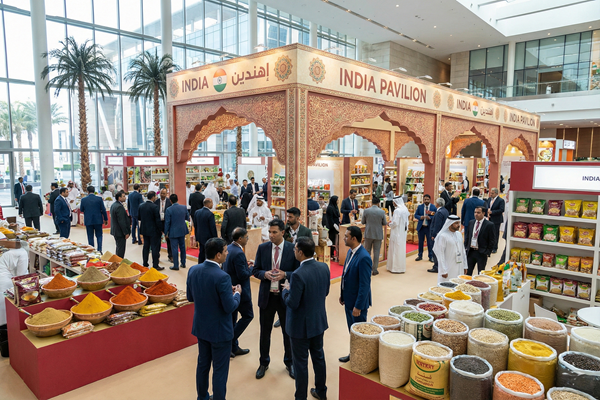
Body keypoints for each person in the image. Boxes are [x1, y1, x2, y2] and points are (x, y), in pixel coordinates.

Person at [187, 237, 241, 400]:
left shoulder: (193, 270)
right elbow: (229, 307)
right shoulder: (223, 277)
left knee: (203, 365)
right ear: (218, 255)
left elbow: (190, 297)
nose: (227, 253)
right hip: (220, 331)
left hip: (201, 328)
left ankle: (202, 396)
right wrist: (236, 294)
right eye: (225, 251)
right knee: (220, 370)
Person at [251, 219, 299, 380]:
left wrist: (285, 274)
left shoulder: (292, 249)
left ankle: (290, 362)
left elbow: (298, 272)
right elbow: (255, 270)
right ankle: (263, 362)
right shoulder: (263, 248)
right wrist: (264, 274)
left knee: (288, 332)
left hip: (285, 297)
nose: (271, 235)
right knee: (265, 332)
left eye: (274, 232)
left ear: (282, 232)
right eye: (269, 232)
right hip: (267, 296)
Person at [282, 237, 329, 400]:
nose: (294, 251)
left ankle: (300, 397)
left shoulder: (298, 274)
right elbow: (325, 292)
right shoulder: (324, 267)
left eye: (295, 249)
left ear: (301, 252)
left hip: (300, 327)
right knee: (319, 358)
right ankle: (321, 391)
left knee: (300, 364)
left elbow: (292, 303)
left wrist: (286, 291)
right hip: (318, 322)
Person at [338, 226, 372, 363]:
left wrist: (358, 306)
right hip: (349, 300)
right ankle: (353, 354)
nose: (344, 238)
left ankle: (362, 359)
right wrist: (342, 294)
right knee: (352, 331)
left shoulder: (364, 258)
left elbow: (364, 285)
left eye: (346, 236)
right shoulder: (350, 252)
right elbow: (345, 275)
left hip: (357, 305)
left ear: (354, 238)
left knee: (359, 332)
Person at [223, 228, 253, 358]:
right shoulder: (239, 253)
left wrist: (245, 265)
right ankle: (229, 341)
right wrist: (251, 268)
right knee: (248, 316)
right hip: (240, 291)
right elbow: (242, 275)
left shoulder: (229, 248)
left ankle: (233, 347)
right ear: (240, 239)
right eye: (246, 237)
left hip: (230, 288)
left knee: (232, 319)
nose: (247, 239)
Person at [0, 244, 28, 327]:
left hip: (4, 279)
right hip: (6, 282)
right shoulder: (23, 252)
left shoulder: (7, 253)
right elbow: (21, 275)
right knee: (7, 306)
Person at [433, 215, 467, 284]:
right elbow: (440, 254)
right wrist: (443, 270)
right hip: (448, 266)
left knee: (458, 283)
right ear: (450, 224)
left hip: (459, 265)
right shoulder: (443, 236)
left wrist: (465, 265)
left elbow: (463, 251)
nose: (458, 225)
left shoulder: (459, 234)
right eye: (456, 223)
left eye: (459, 223)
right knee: (447, 285)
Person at [464, 206, 496, 276]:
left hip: (481, 252)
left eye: (478, 213)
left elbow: (492, 240)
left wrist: (487, 252)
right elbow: (468, 236)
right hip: (471, 252)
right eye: (475, 212)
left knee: (480, 274)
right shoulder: (471, 222)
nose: (476, 214)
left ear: (483, 213)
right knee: (468, 273)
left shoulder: (489, 225)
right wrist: (466, 247)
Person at [361, 198, 387, 276]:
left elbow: (363, 222)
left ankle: (367, 268)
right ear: (378, 203)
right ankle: (374, 269)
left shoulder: (366, 211)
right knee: (376, 252)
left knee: (367, 251)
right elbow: (384, 223)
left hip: (368, 233)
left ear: (371, 202)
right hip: (378, 234)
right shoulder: (382, 212)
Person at [164, 193, 190, 271]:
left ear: (170, 201)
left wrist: (165, 232)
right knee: (182, 247)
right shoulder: (184, 207)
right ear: (177, 199)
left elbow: (167, 222)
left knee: (174, 248)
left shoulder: (169, 210)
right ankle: (183, 263)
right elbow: (187, 217)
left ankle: (176, 265)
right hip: (182, 230)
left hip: (173, 231)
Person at [79, 186, 108, 252]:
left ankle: (92, 250)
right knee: (99, 235)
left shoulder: (83, 200)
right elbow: (103, 210)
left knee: (90, 236)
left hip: (88, 220)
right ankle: (99, 250)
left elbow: (81, 209)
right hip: (98, 220)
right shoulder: (99, 199)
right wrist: (105, 219)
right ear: (94, 191)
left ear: (87, 191)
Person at [139, 191, 162, 270]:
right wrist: (161, 230)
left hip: (144, 229)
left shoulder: (141, 206)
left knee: (146, 247)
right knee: (154, 248)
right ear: (152, 197)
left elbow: (139, 217)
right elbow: (157, 220)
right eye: (155, 196)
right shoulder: (155, 207)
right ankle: (155, 265)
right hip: (153, 231)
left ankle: (145, 263)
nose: (156, 197)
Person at [387, 196, 409, 273]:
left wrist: (389, 224)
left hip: (396, 232)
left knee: (395, 249)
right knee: (401, 249)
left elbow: (395, 223)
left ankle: (395, 268)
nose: (393, 203)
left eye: (394, 202)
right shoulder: (405, 209)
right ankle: (401, 267)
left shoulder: (397, 211)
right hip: (403, 232)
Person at [428, 198, 449, 273]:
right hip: (443, 233)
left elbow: (437, 225)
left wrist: (433, 234)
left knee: (436, 250)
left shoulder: (439, 212)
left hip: (438, 235)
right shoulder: (445, 211)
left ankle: (436, 266)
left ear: (437, 204)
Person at [194, 198, 218, 263]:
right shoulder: (210, 214)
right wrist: (215, 238)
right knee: (207, 253)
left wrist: (196, 236)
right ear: (208, 204)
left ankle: (200, 264)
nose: (212, 204)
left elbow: (195, 226)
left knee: (201, 252)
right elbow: (212, 228)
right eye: (212, 203)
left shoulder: (197, 212)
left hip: (200, 236)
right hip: (208, 237)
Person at [414, 194, 436, 262]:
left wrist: (430, 217)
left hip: (429, 228)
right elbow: (415, 215)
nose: (426, 201)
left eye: (427, 199)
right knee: (420, 242)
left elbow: (436, 216)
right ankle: (420, 255)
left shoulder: (433, 207)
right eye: (425, 199)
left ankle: (431, 256)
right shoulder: (420, 207)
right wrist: (420, 217)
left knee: (430, 243)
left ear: (430, 200)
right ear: (423, 200)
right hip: (421, 227)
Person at [154, 189, 173, 262]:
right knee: (157, 240)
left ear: (166, 194)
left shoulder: (169, 202)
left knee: (169, 240)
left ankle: (170, 256)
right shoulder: (156, 201)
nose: (162, 195)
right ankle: (157, 256)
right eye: (161, 193)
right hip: (158, 222)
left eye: (164, 193)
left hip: (166, 222)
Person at [110, 191, 131, 258]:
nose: (125, 198)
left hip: (115, 230)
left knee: (119, 247)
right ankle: (119, 261)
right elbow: (122, 221)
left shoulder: (114, 205)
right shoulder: (119, 207)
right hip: (120, 232)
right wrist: (126, 232)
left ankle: (117, 260)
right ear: (119, 198)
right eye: (123, 196)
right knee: (121, 249)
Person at [487, 188, 505, 253]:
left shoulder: (501, 200)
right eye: (490, 193)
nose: (491, 194)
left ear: (496, 193)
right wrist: (487, 212)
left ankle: (494, 248)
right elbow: (487, 207)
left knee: (495, 234)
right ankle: (489, 246)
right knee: (489, 233)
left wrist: (492, 212)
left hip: (496, 220)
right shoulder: (489, 199)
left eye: (492, 193)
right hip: (489, 219)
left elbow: (501, 210)